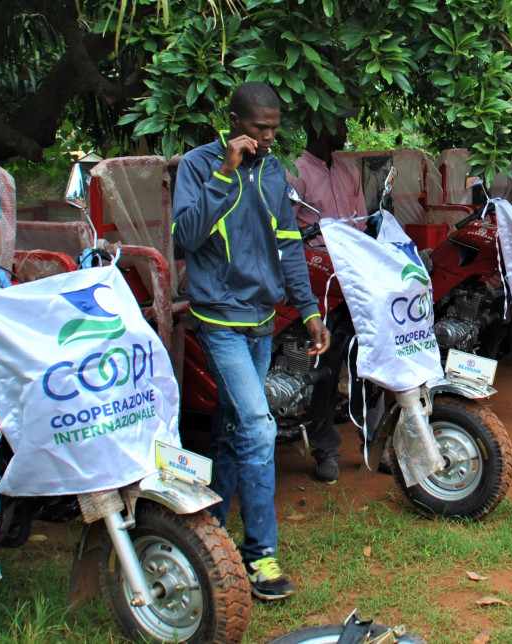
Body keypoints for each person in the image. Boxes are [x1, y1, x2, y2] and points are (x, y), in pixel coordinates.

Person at [171, 81, 330, 601]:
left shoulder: (273, 172)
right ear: (235, 121)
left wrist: (308, 312)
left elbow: (288, 248)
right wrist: (225, 173)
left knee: (231, 430)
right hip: (217, 319)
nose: (267, 136)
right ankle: (260, 556)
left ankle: (207, 534)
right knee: (259, 427)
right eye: (259, 127)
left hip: (262, 320)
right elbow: (184, 238)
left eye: (274, 128)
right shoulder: (199, 166)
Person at [283, 113, 366, 483]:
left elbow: (362, 222)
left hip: (355, 274)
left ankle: (372, 436)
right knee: (326, 361)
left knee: (369, 354)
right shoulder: (295, 172)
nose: (346, 130)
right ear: (319, 127)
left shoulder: (349, 171)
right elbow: (290, 232)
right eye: (340, 122)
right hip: (319, 282)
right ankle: (325, 446)